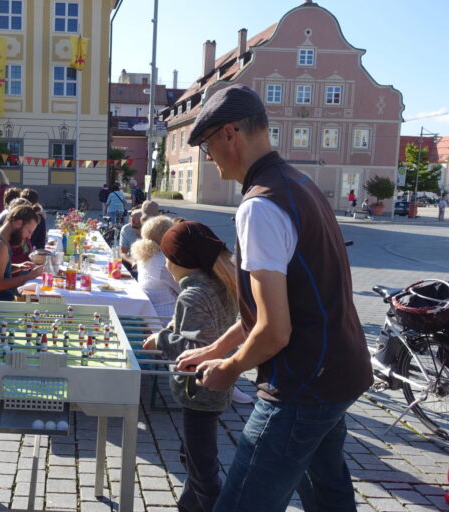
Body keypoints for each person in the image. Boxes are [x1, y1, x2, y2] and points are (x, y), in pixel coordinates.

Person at [177, 84, 372, 512]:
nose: (208, 157)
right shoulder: (298, 182)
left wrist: (227, 369)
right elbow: (269, 310)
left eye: (208, 144)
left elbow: (275, 330)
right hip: (340, 371)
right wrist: (215, 347)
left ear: (231, 134)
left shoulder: (259, 206)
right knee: (326, 491)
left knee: (244, 502)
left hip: (304, 383)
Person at [143, 221, 238, 512]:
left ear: (179, 260)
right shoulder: (216, 283)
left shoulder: (192, 294)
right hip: (213, 390)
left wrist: (161, 339)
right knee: (195, 458)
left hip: (198, 391)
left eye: (167, 256)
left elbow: (195, 349)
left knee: (203, 472)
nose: (165, 262)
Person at [0, 204, 44, 301]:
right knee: (42, 305)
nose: (29, 237)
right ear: (19, 223)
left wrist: (18, 267)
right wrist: (29, 276)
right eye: (29, 231)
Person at [130, 215, 180, 323]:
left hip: (149, 313)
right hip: (168, 318)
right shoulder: (164, 261)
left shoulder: (145, 256)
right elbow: (183, 290)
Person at [119, 209, 141, 275]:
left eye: (137, 217)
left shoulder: (150, 230)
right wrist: (132, 261)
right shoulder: (126, 229)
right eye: (131, 216)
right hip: (133, 263)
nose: (132, 219)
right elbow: (122, 252)